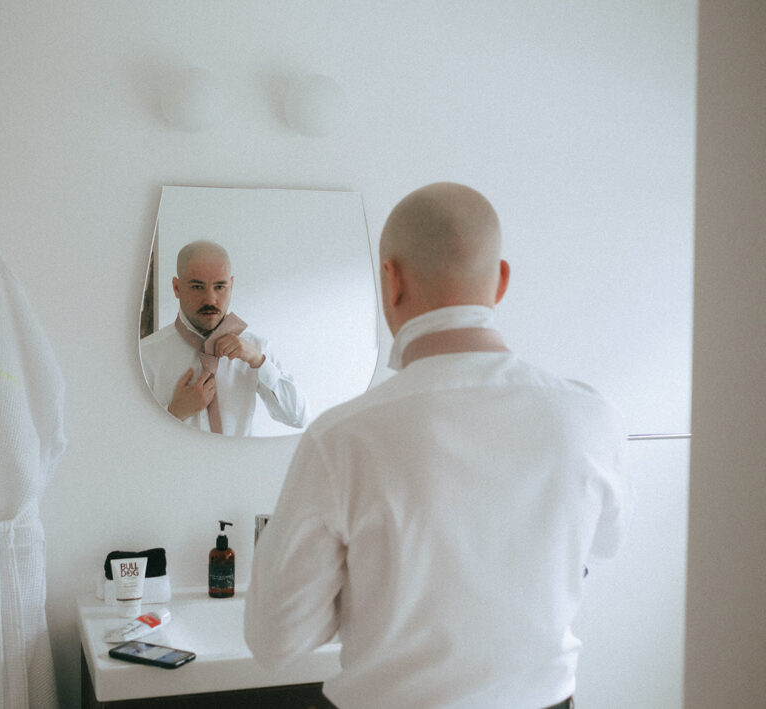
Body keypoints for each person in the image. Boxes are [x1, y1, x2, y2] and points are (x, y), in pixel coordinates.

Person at [245, 183, 631, 708]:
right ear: (500, 281)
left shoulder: (341, 439)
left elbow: (275, 643)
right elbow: (602, 548)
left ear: (391, 279)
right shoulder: (591, 417)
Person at [140, 239, 308, 436]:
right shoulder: (145, 355)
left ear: (231, 285)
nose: (210, 300)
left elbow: (298, 418)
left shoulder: (255, 348)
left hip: (239, 467)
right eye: (197, 287)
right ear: (177, 288)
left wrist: (259, 362)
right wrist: (174, 413)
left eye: (220, 287)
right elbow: (129, 443)